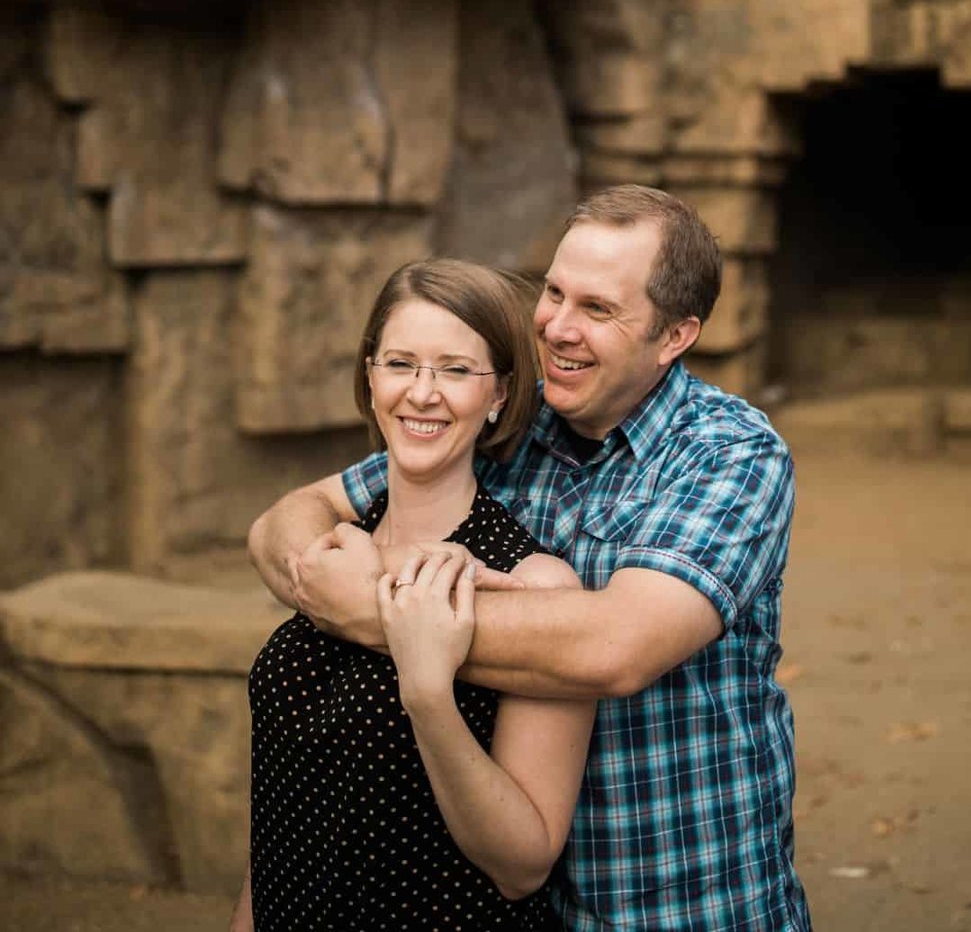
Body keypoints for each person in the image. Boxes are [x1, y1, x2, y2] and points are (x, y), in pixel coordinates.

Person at [250, 185, 813, 932]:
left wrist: (375, 610)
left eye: (599, 309)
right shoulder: (509, 415)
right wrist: (321, 563)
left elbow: (618, 648)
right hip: (508, 901)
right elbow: (292, 518)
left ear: (675, 336)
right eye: (553, 292)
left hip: (671, 897)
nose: (556, 327)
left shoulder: (729, 455)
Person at [233, 258, 594, 931]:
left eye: (456, 370)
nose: (422, 393)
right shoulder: (333, 555)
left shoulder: (532, 581)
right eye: (400, 363)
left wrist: (429, 697)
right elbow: (286, 805)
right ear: (370, 377)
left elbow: (523, 865)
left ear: (498, 396)